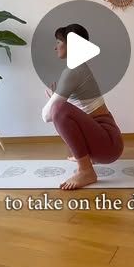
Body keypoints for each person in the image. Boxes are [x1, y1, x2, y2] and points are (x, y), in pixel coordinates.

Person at [41, 23, 124, 190]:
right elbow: (78, 110)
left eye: (59, 42)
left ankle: (85, 170)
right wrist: (56, 98)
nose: (55, 47)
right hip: (108, 142)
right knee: (60, 109)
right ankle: (86, 160)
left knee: (58, 110)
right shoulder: (79, 69)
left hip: (108, 144)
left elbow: (47, 115)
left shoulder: (73, 72)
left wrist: (54, 101)